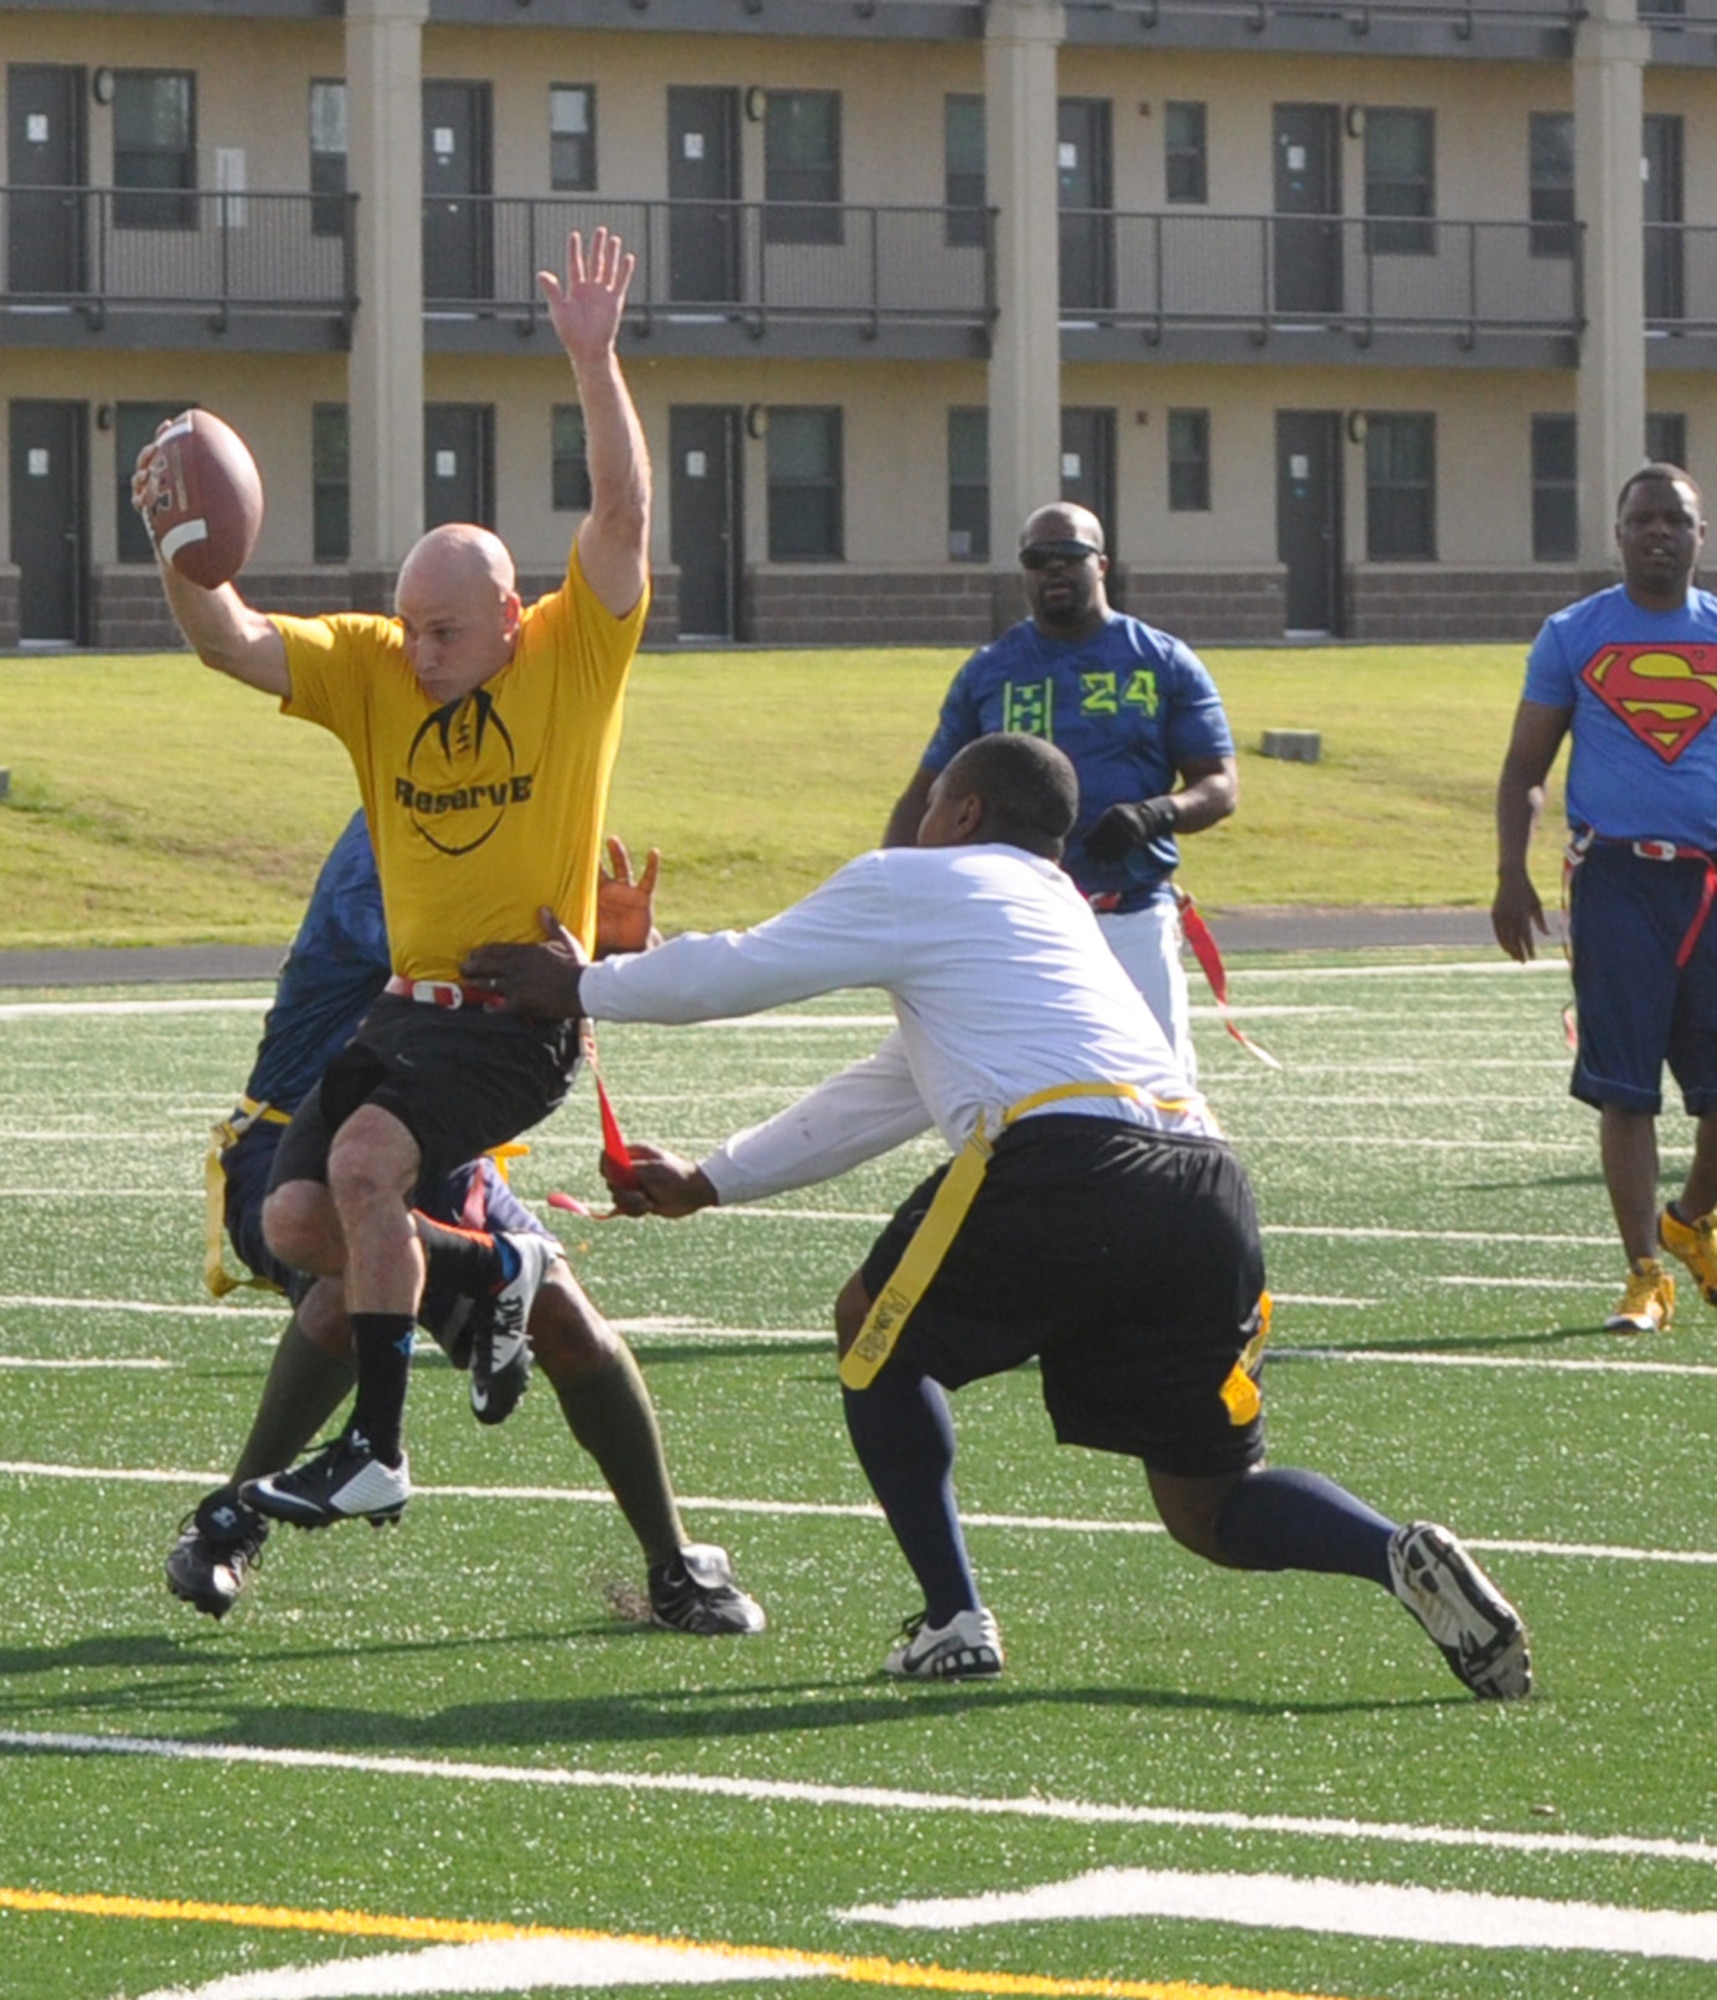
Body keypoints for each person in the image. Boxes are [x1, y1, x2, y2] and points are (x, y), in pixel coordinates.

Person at [466, 734, 1531, 1699]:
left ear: (963, 813)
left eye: (930, 802)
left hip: (1065, 1159)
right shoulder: (1054, 912)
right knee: (1210, 1504)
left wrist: (584, 983)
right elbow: (890, 1087)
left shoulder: (919, 879)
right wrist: (713, 1177)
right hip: (1206, 1181)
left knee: (870, 1329)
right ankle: (1392, 1551)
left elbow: (744, 969)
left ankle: (953, 1614)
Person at [134, 226, 650, 1530]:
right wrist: (182, 548)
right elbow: (233, 640)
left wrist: (593, 363)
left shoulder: (567, 660)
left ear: (511, 617)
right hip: (402, 1014)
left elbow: (624, 516)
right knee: (301, 1218)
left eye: (445, 631)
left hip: (513, 1021)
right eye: (408, 626)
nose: (418, 652)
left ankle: (375, 1447)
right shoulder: (375, 667)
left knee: (365, 1164)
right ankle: (501, 1276)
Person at [169, 810, 764, 1635]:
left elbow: (555, 982)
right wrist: (577, 960)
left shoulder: (509, 805)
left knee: (562, 1314)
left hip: (426, 1141)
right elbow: (477, 967)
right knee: (351, 1278)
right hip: (294, 1139)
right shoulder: (404, 813)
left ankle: (674, 1562)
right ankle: (230, 1517)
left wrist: (614, 950)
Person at [880, 502, 1237, 1077]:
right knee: (982, 1077)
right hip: (1014, 917)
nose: (1053, 570)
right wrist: (893, 886)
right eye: (1037, 558)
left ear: (1102, 564)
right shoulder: (991, 669)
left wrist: (1154, 814)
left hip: (1127, 912)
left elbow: (1218, 785)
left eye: (1069, 556)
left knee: (1159, 1085)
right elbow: (930, 790)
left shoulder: (1163, 661)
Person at [1493, 462, 1717, 1338]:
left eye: (1677, 520)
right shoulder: (1572, 633)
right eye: (1643, 519)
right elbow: (1525, 767)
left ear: (1699, 535)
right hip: (1618, 880)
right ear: (1618, 533)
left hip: (1709, 880)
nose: (1659, 532)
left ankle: (1689, 1218)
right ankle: (1642, 1272)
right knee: (1626, 1089)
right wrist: (1511, 873)